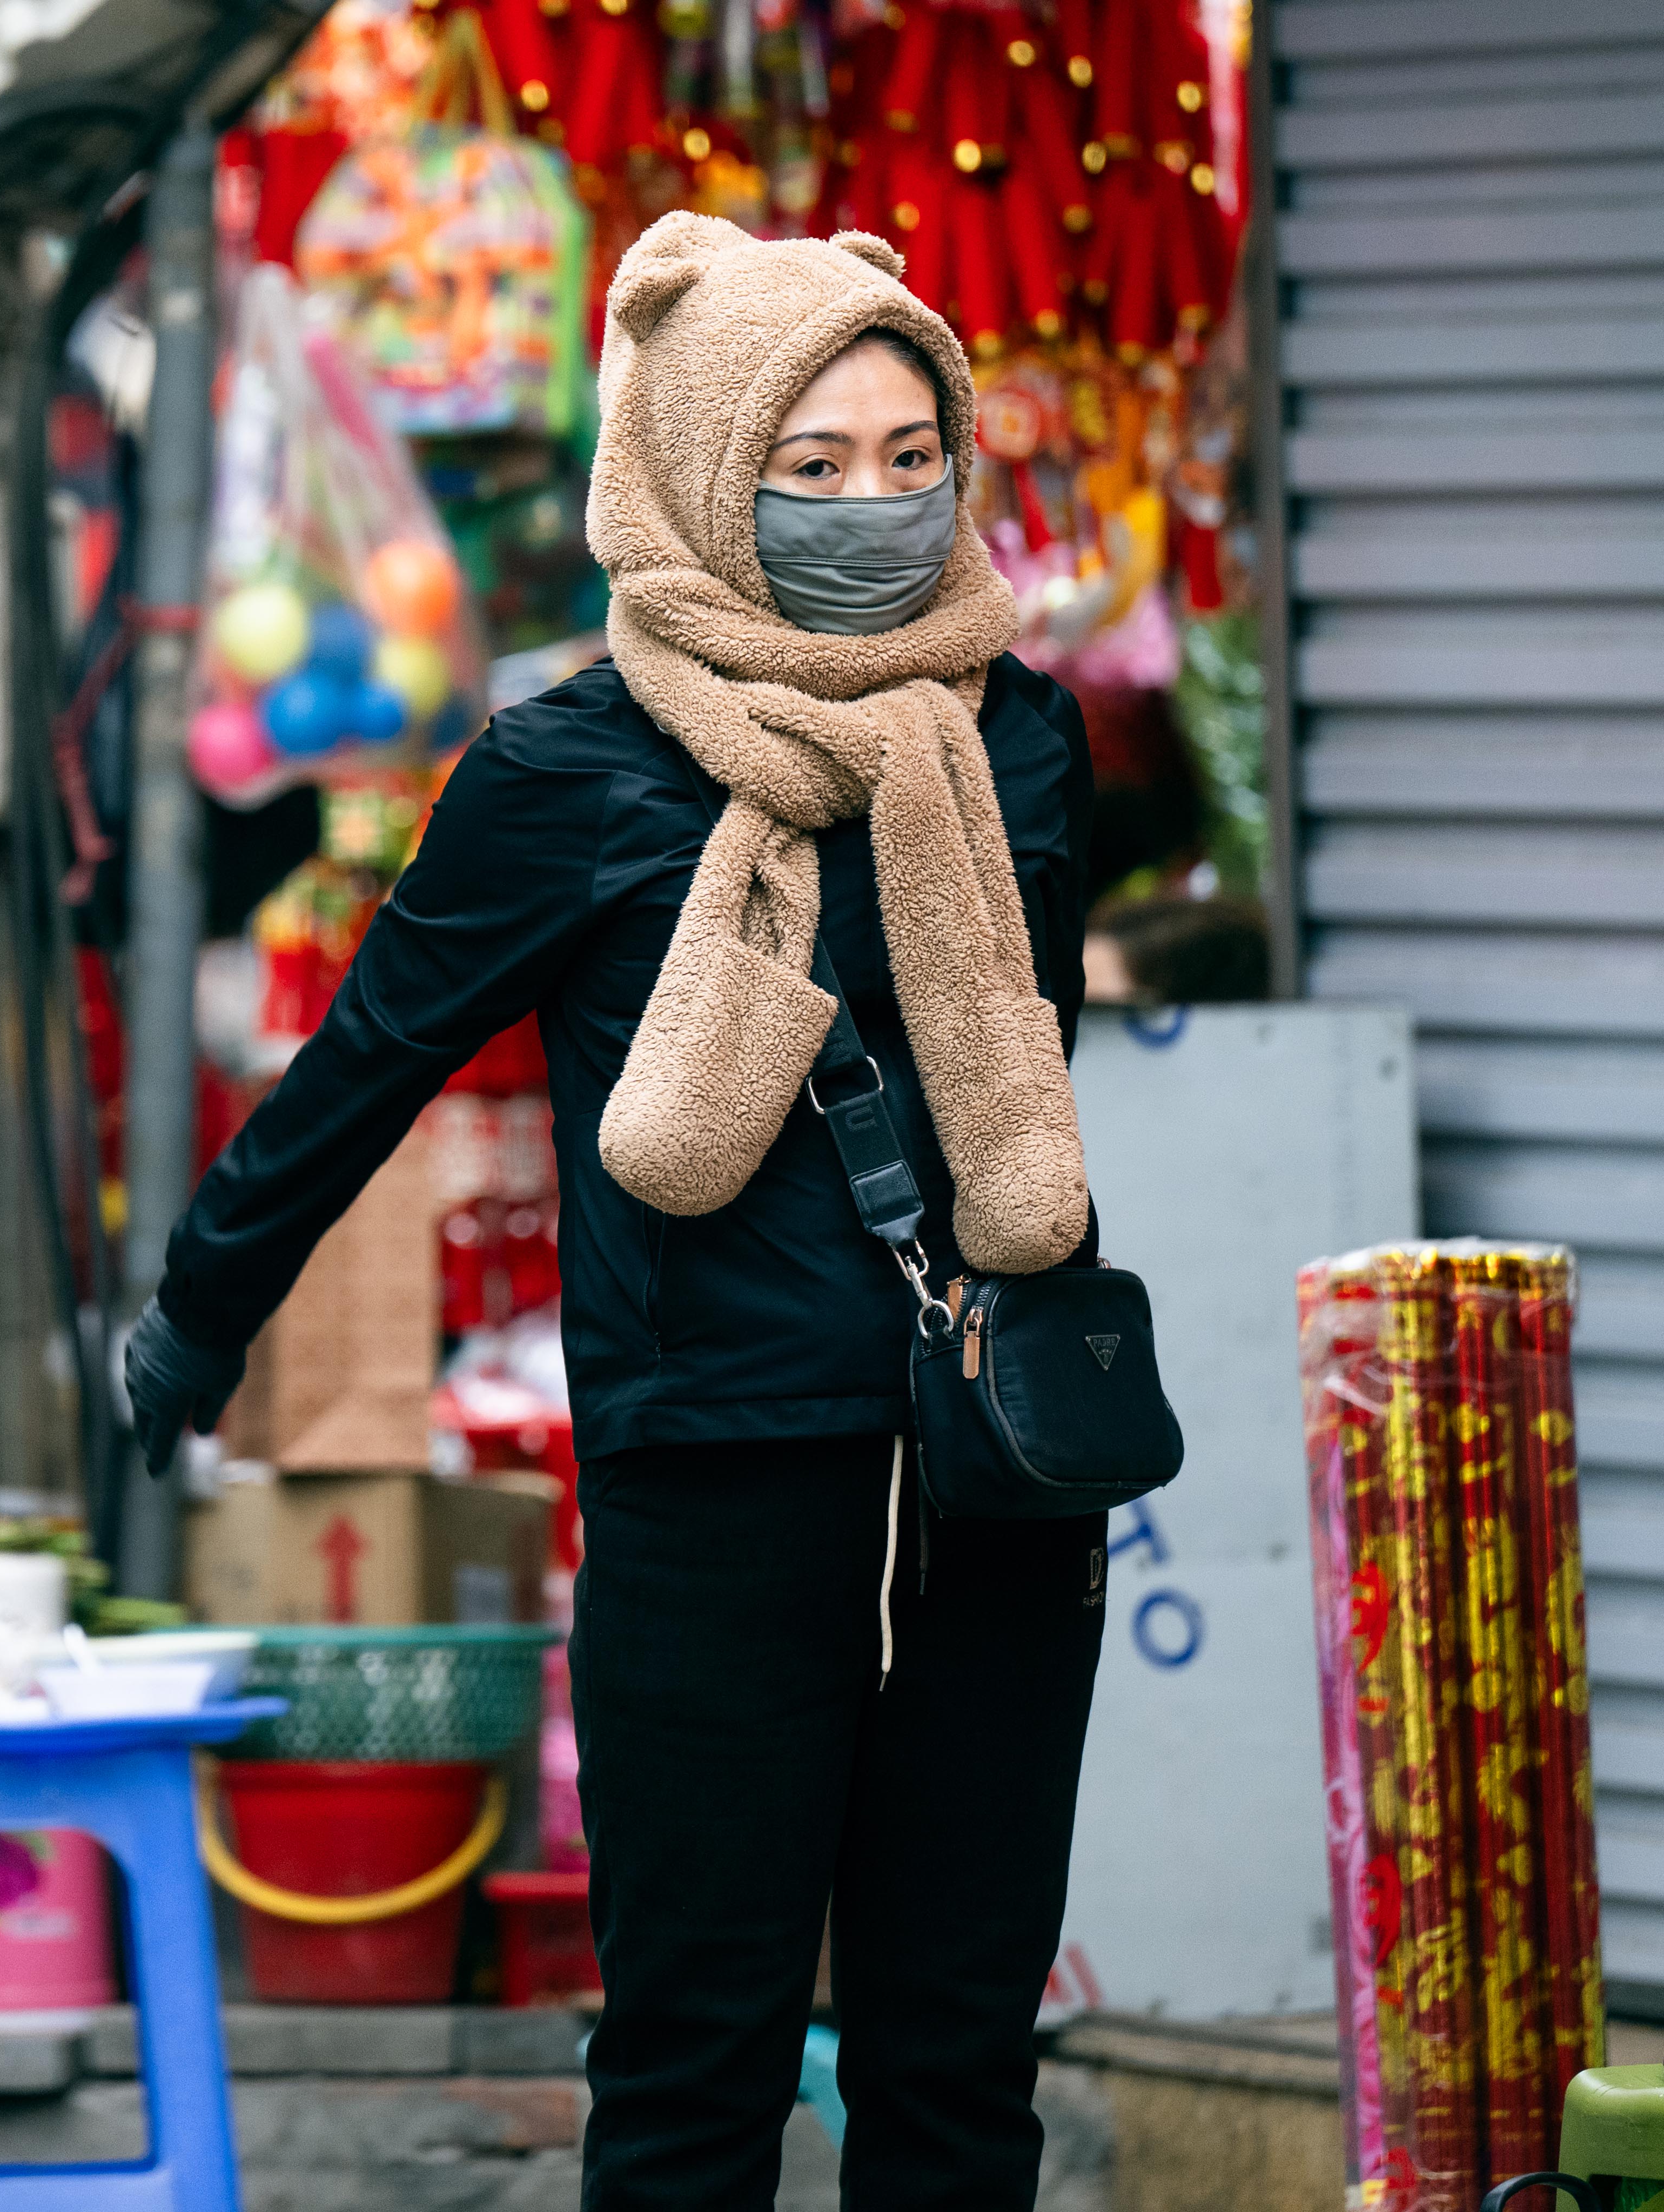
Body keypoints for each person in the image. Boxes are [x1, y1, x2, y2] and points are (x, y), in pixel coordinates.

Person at [127, 213, 1102, 2209]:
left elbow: (1030, 1073)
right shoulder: (572, 769)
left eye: (911, 455)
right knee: (691, 2074)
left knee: (959, 2072)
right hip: (716, 1479)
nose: (873, 505)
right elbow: (366, 1061)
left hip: (996, 1477)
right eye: (811, 464)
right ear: (705, 468)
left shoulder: (1020, 735)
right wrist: (198, 1312)